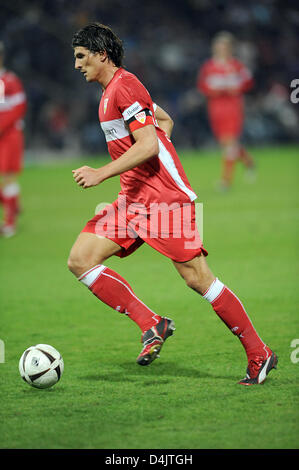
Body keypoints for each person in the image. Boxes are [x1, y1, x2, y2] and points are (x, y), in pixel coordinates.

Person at [68, 23, 277, 385]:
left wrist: (104, 173)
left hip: (165, 200)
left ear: (102, 54)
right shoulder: (108, 92)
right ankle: (152, 323)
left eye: (81, 56)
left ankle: (260, 353)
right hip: (132, 199)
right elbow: (163, 120)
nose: (76, 65)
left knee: (197, 278)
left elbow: (148, 143)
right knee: (80, 260)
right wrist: (147, 164)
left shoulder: (126, 86)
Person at [197, 32, 255, 190]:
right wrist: (214, 90)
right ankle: (249, 161)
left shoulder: (237, 66)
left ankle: (226, 181)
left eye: (224, 47)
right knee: (226, 142)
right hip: (215, 108)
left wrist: (235, 87)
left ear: (230, 48)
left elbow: (248, 82)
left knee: (229, 142)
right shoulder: (209, 67)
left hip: (233, 107)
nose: (221, 49)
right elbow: (202, 86)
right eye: (218, 47)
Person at [0, 41, 27, 237]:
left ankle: (9, 223)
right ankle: (13, 205)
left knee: (8, 176)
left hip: (9, 135)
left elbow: (19, 108)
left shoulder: (9, 80)